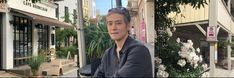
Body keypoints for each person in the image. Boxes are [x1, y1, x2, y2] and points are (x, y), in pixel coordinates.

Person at [93, 7, 152, 77]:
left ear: (128, 26)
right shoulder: (108, 54)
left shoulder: (139, 51)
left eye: (118, 23)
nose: (113, 28)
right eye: (110, 24)